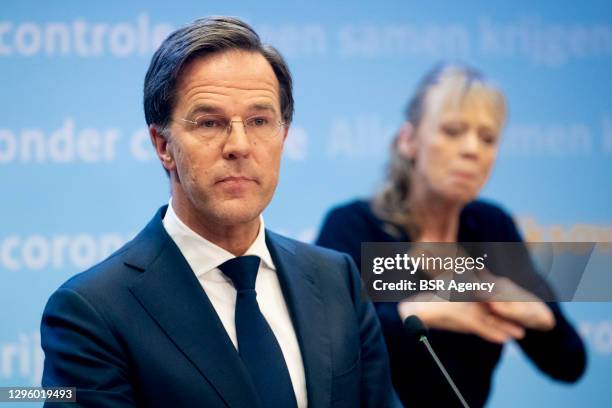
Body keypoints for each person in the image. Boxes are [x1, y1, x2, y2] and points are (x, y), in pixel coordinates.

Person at [40, 17, 400, 408]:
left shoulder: (337, 279)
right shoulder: (92, 310)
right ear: (163, 145)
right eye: (209, 123)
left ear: (284, 136)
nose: (239, 146)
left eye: (260, 121)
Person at [316, 64, 586, 407]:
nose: (472, 149)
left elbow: (570, 364)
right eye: (453, 131)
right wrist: (425, 311)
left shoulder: (491, 228)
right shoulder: (354, 225)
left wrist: (542, 317)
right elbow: (327, 350)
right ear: (409, 141)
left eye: (487, 138)